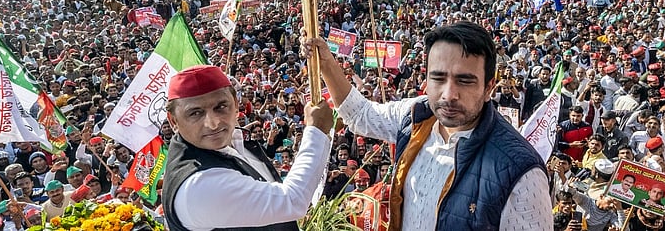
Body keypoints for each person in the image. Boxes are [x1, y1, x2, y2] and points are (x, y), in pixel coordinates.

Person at [314, 21, 552, 230]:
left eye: (465, 81)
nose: (449, 94)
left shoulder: (521, 171)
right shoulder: (415, 116)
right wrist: (325, 63)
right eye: (438, 78)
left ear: (489, 87)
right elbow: (361, 115)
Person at [161, 64, 333, 231]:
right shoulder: (198, 185)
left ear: (236, 104)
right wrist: (316, 130)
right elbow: (292, 201)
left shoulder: (234, 144)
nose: (212, 123)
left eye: (221, 107)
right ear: (174, 121)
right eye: (195, 113)